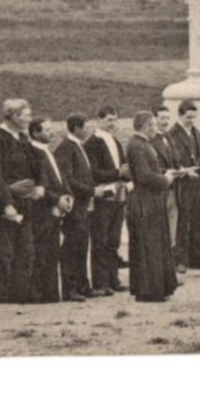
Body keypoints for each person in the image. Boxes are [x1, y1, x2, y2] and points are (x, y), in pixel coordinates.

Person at [0, 99, 42, 304]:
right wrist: (7, 204)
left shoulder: (23, 138)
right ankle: (0, 297)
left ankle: (21, 295)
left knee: (26, 251)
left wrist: (40, 185)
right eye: (26, 115)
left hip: (26, 202)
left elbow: (36, 163)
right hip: (4, 206)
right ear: (14, 117)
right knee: (5, 253)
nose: (30, 119)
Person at [125, 111, 179, 302]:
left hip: (151, 200)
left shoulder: (142, 144)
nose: (156, 128)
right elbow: (144, 176)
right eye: (153, 125)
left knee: (155, 244)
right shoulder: (137, 146)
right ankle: (149, 290)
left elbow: (149, 171)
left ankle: (158, 287)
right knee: (149, 245)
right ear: (146, 126)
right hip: (144, 202)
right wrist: (166, 179)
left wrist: (166, 174)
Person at [83, 106, 127, 296]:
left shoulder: (115, 141)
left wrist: (124, 179)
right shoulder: (93, 143)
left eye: (115, 119)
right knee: (100, 239)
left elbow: (124, 166)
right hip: (103, 196)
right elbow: (93, 172)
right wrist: (117, 174)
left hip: (118, 195)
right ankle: (100, 282)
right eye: (109, 119)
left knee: (113, 240)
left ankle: (113, 279)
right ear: (99, 121)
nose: (113, 123)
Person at [29, 117, 72, 302]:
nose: (51, 133)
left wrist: (67, 196)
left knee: (52, 252)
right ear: (35, 133)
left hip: (56, 208)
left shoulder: (47, 151)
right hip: (42, 211)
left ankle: (52, 293)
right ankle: (41, 295)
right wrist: (57, 201)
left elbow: (59, 178)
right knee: (42, 253)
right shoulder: (33, 153)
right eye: (47, 130)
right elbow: (38, 185)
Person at [168, 101, 200, 270]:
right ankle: (180, 260)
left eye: (194, 117)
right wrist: (187, 172)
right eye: (188, 117)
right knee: (183, 222)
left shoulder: (196, 132)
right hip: (184, 185)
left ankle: (197, 258)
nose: (192, 120)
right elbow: (173, 159)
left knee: (197, 222)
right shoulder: (172, 134)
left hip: (199, 184)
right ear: (180, 115)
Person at [55, 115, 98, 298]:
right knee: (72, 247)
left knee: (82, 245)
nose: (89, 130)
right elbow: (68, 179)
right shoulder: (66, 147)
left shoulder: (77, 145)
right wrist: (91, 191)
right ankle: (70, 288)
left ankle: (83, 285)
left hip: (83, 205)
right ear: (77, 128)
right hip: (74, 206)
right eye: (86, 126)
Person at [149, 106, 184, 263]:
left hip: (173, 190)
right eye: (162, 118)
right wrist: (168, 172)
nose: (165, 122)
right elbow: (151, 168)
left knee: (172, 231)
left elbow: (175, 160)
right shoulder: (150, 140)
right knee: (159, 231)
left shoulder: (170, 138)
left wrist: (181, 169)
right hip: (159, 191)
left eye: (167, 118)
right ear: (154, 119)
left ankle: (169, 266)